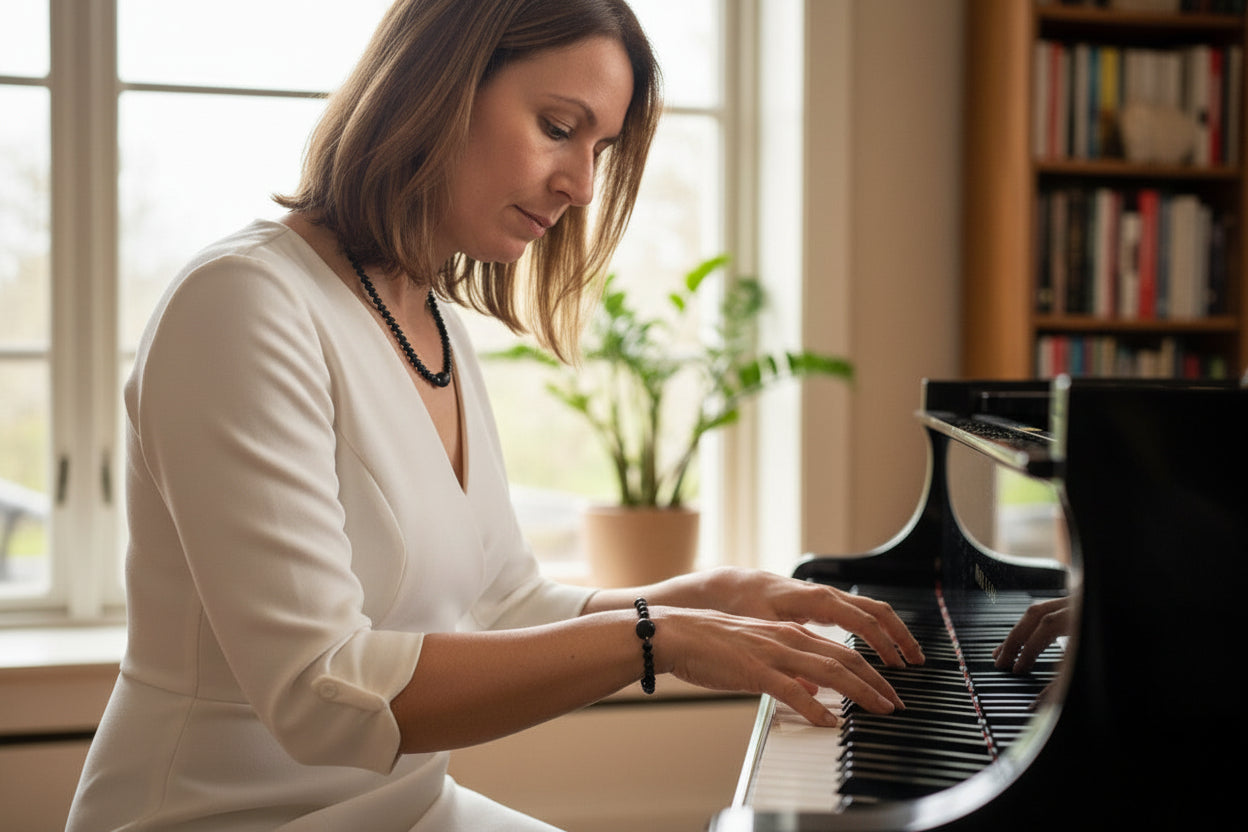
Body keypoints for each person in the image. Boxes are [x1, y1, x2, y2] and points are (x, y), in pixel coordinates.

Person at [66, 1, 925, 829]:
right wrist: (658, 638)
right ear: (435, 86)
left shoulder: (427, 320)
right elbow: (319, 692)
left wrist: (696, 599)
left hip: (405, 811)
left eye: (600, 148)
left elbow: (504, 602)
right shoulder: (243, 305)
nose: (582, 186)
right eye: (558, 127)